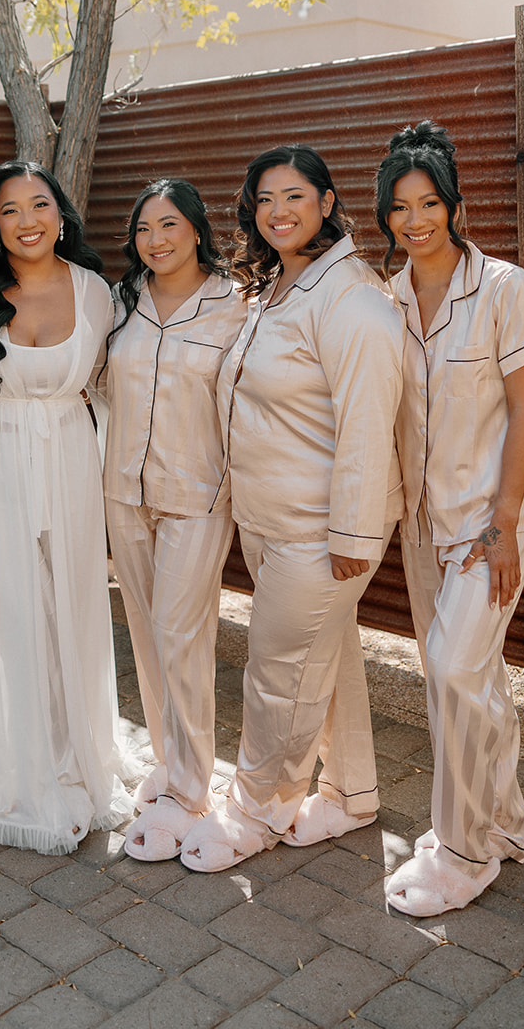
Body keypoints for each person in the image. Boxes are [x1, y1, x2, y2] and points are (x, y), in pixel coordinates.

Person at [179, 144, 404, 872]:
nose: (277, 211)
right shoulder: (275, 287)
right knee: (324, 659)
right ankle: (349, 794)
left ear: (327, 204)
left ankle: (259, 808)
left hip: (322, 529)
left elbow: (369, 422)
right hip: (267, 517)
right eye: (265, 198)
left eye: (294, 197)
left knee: (277, 671)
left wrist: (353, 531)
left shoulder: (353, 299)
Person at [0, 161, 131, 854]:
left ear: (61, 213)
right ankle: (18, 771)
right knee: (8, 614)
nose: (27, 220)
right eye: (9, 210)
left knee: (69, 605)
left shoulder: (96, 291)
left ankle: (77, 755)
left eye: (38, 204)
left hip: (69, 457)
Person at [376, 121, 524, 917]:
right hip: (422, 516)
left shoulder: (504, 288)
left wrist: (505, 520)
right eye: (399, 208)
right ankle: (504, 825)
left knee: (452, 671)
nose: (415, 221)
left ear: (454, 206)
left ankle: (464, 850)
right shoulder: (386, 299)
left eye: (428, 204)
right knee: (467, 677)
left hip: (490, 517)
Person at [100, 179, 246, 860]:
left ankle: (192, 790)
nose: (154, 241)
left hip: (197, 494)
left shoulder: (234, 305)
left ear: (195, 229)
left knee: (180, 634)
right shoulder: (120, 303)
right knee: (145, 632)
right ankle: (167, 764)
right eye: (143, 230)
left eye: (168, 226)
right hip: (124, 490)